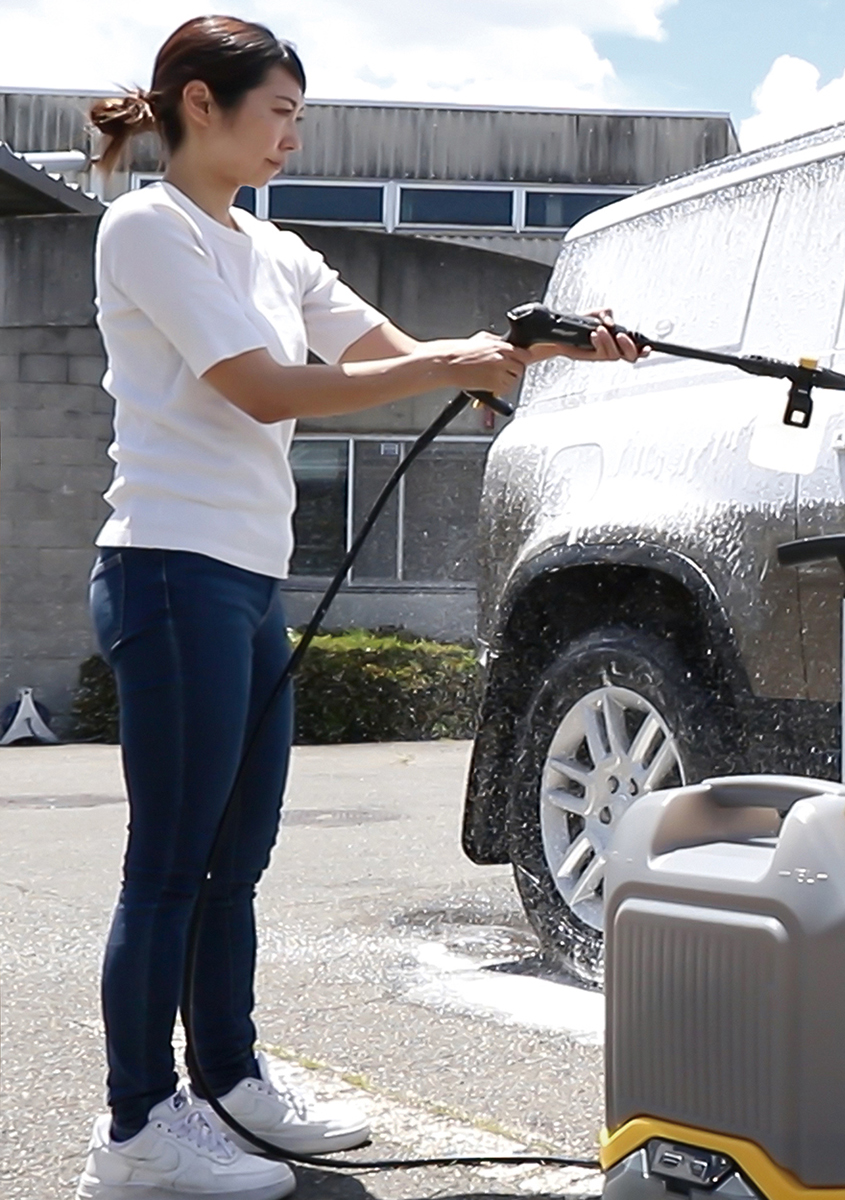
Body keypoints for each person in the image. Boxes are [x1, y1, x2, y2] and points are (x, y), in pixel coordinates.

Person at [75, 17, 641, 1200]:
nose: (291, 136)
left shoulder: (275, 252)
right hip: (167, 571)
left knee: (236, 862)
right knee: (169, 866)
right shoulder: (149, 229)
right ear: (198, 103)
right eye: (277, 112)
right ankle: (134, 1132)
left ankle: (228, 1082)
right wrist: (446, 366)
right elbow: (261, 386)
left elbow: (389, 346)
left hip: (243, 581)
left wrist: (541, 350)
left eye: (299, 117)